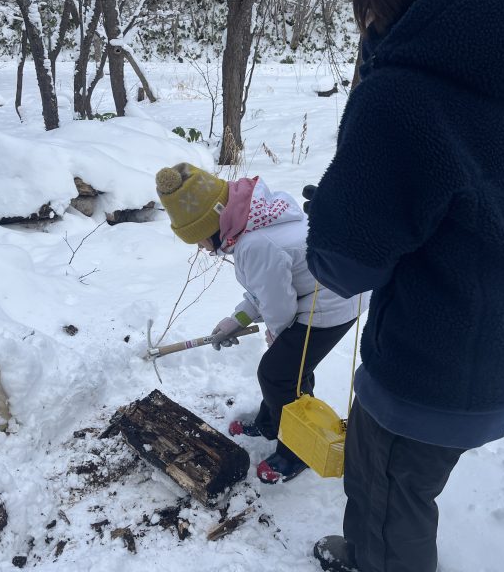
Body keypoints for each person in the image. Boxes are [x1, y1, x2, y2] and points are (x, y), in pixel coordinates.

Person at [304, 0, 504, 571]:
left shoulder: (401, 98)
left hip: (419, 374)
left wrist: (337, 217)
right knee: (410, 488)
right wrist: (501, 230)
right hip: (503, 356)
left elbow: (345, 264)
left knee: (387, 499)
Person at [155, 162, 369, 484]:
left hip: (332, 304)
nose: (201, 249)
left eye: (198, 240)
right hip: (323, 292)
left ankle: (296, 450)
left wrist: (278, 335)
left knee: (278, 374)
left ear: (212, 226)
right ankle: (271, 425)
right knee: (285, 371)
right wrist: (235, 320)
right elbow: (263, 291)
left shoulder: (254, 245)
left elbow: (277, 304)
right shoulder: (255, 222)